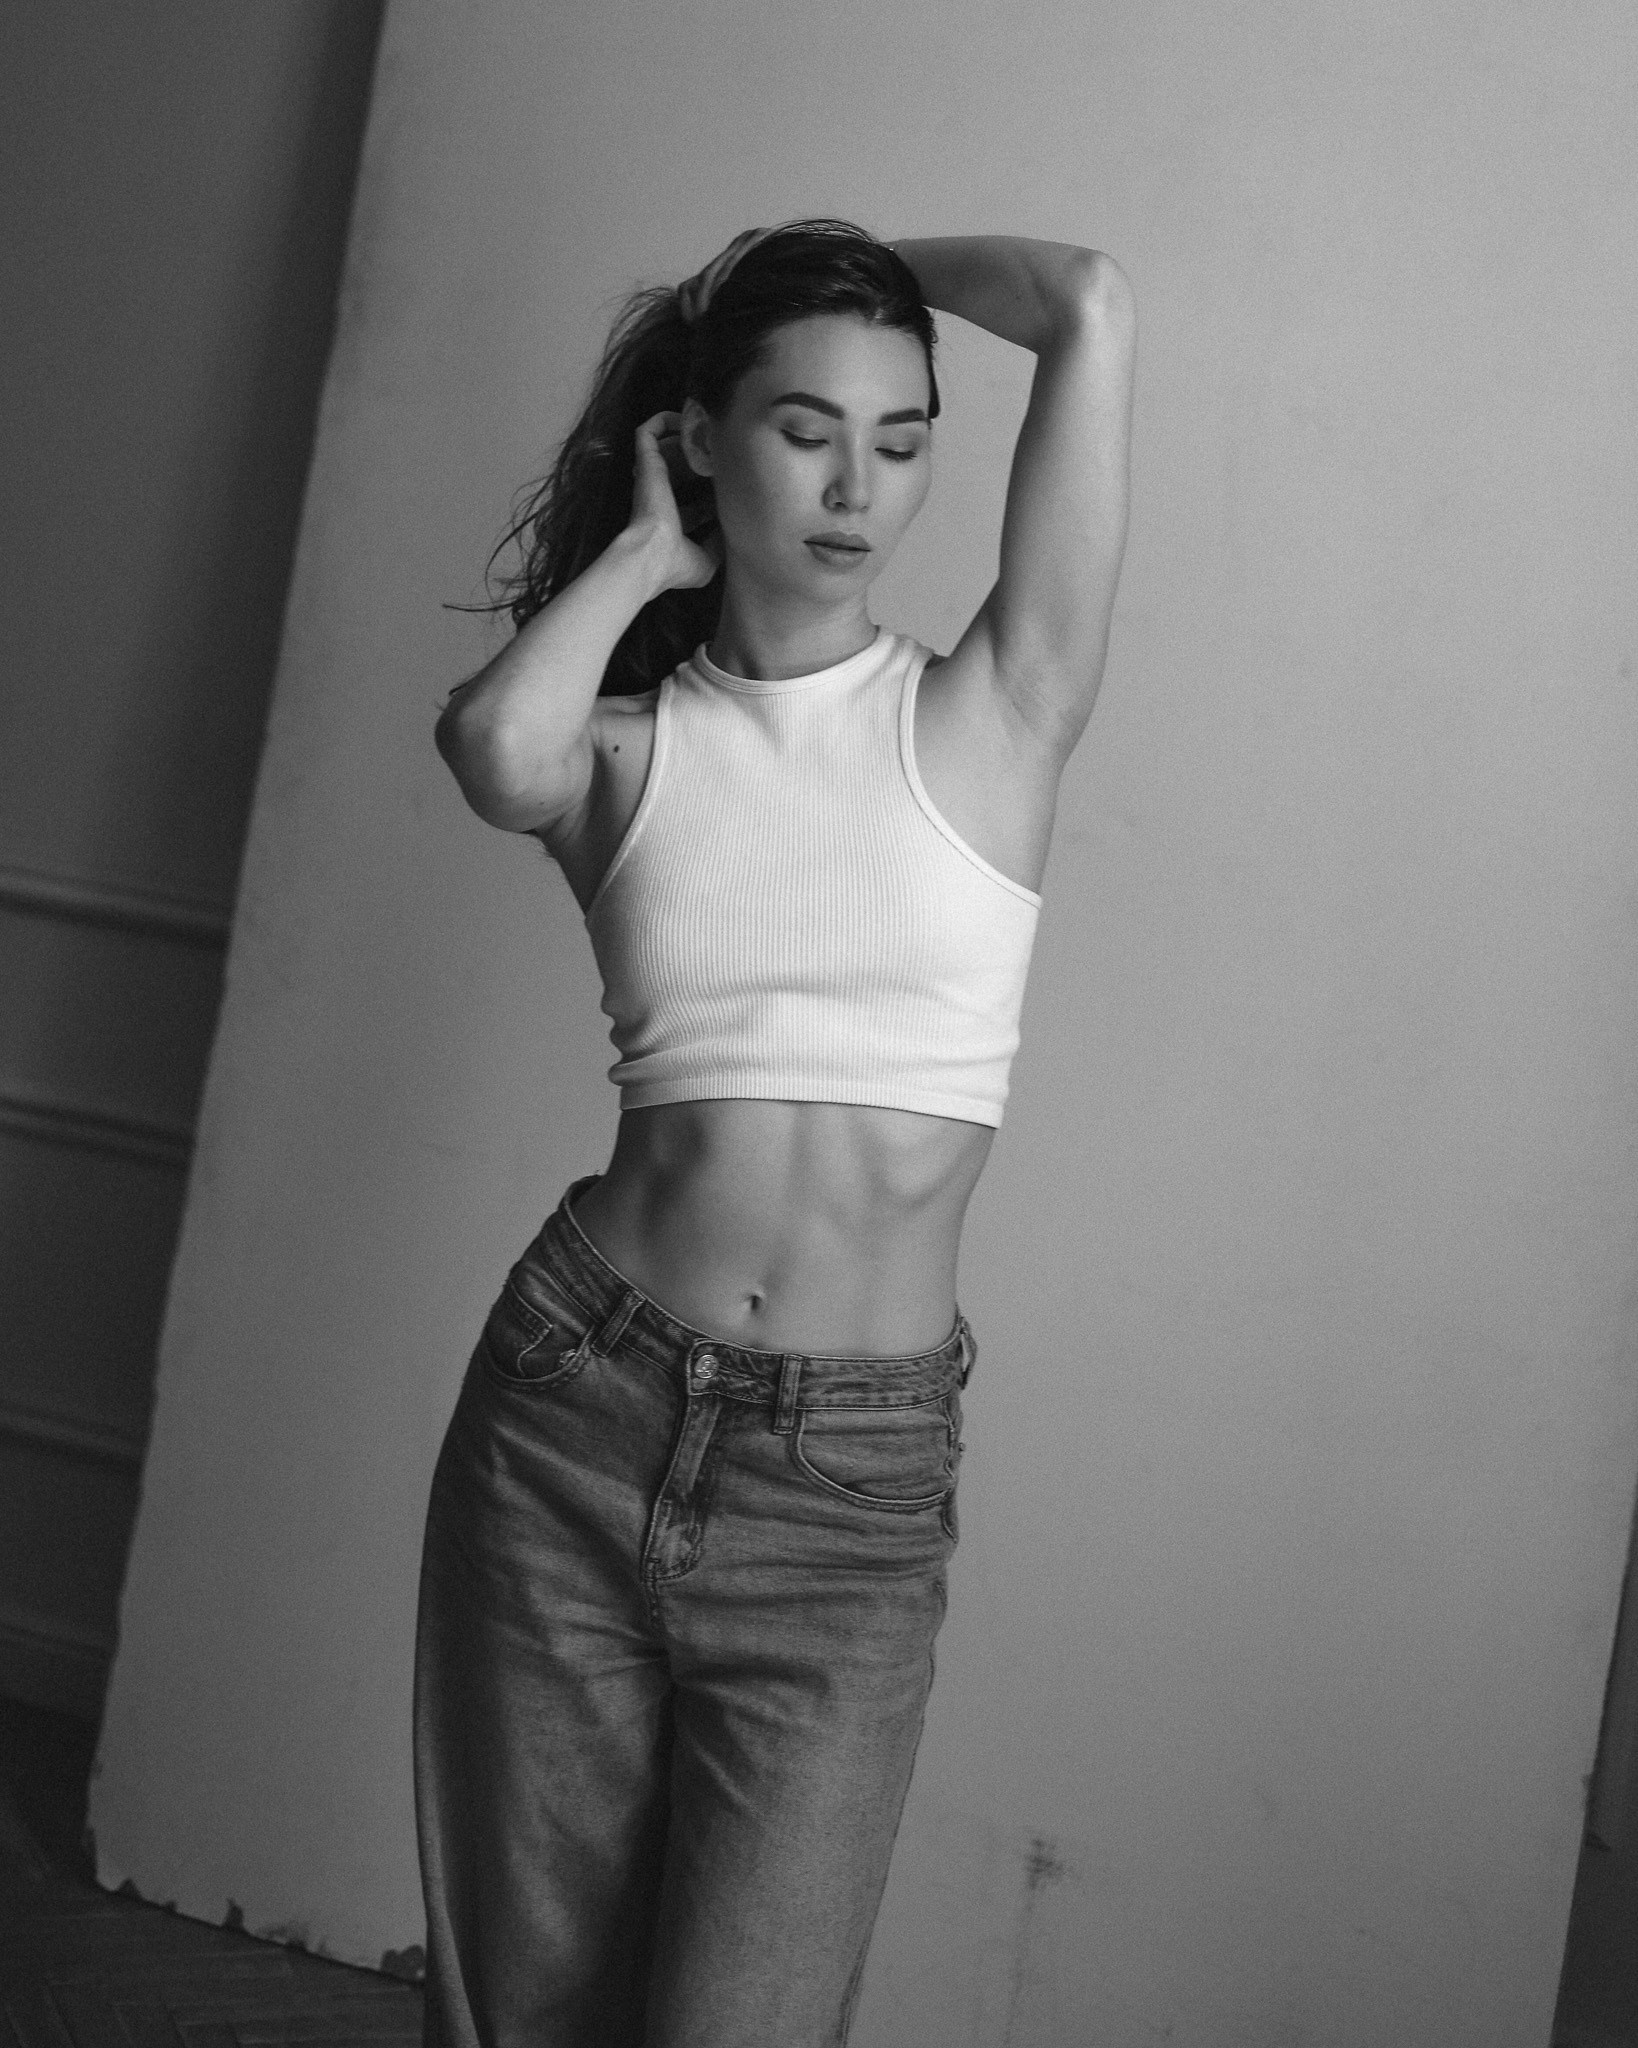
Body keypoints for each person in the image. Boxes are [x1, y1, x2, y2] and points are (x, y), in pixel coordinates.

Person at [417, 219, 1134, 2048]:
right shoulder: (625, 752)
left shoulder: (993, 713)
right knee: (527, 2007)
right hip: (577, 1407)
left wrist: (853, 261)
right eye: (804, 429)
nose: (854, 486)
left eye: (900, 441)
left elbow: (1085, 304)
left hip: (846, 1484)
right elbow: (492, 751)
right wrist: (641, 552)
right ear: (702, 440)